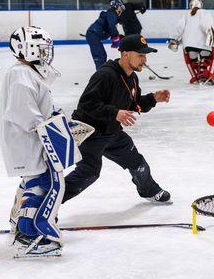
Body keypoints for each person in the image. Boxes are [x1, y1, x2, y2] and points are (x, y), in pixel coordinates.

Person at [63, 34, 172, 204]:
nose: (144, 60)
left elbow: (133, 104)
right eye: (140, 55)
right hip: (89, 132)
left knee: (137, 163)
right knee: (89, 172)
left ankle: (149, 191)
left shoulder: (132, 78)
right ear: (126, 54)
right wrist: (114, 113)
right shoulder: (105, 75)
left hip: (111, 132)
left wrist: (153, 99)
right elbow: (86, 104)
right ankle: (49, 202)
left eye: (145, 55)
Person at [0, 26, 74, 257]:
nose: (45, 54)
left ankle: (18, 223)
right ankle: (29, 236)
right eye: (41, 49)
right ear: (27, 49)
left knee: (33, 180)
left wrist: (54, 118)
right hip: (27, 140)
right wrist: (48, 126)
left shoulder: (26, 73)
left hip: (27, 139)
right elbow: (24, 111)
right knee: (41, 182)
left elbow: (37, 106)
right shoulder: (20, 74)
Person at [168, 0, 214, 85]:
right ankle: (205, 74)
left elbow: (179, 27)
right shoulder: (204, 12)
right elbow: (206, 25)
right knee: (206, 58)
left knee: (193, 60)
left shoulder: (185, 14)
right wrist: (211, 33)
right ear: (201, 5)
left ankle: (197, 76)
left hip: (188, 44)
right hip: (202, 43)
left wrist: (173, 38)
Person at [86, 0, 125, 70]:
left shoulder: (112, 14)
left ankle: (102, 73)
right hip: (93, 34)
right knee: (100, 55)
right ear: (116, 6)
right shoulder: (112, 13)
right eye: (121, 6)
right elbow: (111, 26)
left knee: (102, 55)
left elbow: (110, 27)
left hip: (94, 34)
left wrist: (117, 37)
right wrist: (115, 38)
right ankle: (101, 76)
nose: (122, 9)